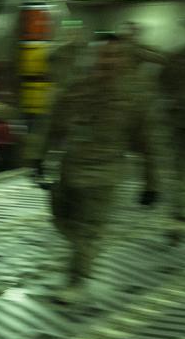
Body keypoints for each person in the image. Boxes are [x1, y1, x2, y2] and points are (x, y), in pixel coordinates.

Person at [37, 34, 135, 302]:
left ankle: (77, 281)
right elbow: (53, 127)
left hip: (105, 174)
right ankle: (85, 248)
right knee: (62, 220)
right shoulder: (76, 90)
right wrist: (38, 158)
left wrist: (153, 182)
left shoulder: (133, 96)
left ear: (124, 61)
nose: (109, 61)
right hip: (71, 171)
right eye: (104, 55)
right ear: (94, 57)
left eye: (115, 56)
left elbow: (148, 138)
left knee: (87, 230)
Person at [118, 21, 167, 205]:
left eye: (132, 32)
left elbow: (161, 58)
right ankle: (150, 188)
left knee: (147, 149)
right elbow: (161, 58)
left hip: (138, 107)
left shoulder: (135, 49)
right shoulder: (130, 49)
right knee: (143, 150)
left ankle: (151, 188)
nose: (129, 35)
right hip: (124, 104)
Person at [158, 39, 185, 244]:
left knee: (181, 175)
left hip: (182, 124)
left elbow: (163, 82)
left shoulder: (178, 56)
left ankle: (178, 222)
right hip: (183, 124)